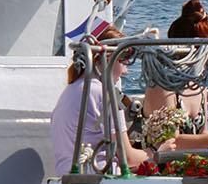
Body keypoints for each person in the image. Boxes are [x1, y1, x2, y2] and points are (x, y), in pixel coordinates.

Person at [49, 27, 155, 175]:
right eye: (123, 61)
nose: (126, 71)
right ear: (108, 58)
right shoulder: (103, 93)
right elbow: (129, 158)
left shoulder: (70, 91)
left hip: (68, 182)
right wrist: (158, 152)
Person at [140, 0, 208, 152]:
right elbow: (169, 142)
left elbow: (202, 133)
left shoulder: (200, 87)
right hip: (161, 165)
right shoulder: (163, 86)